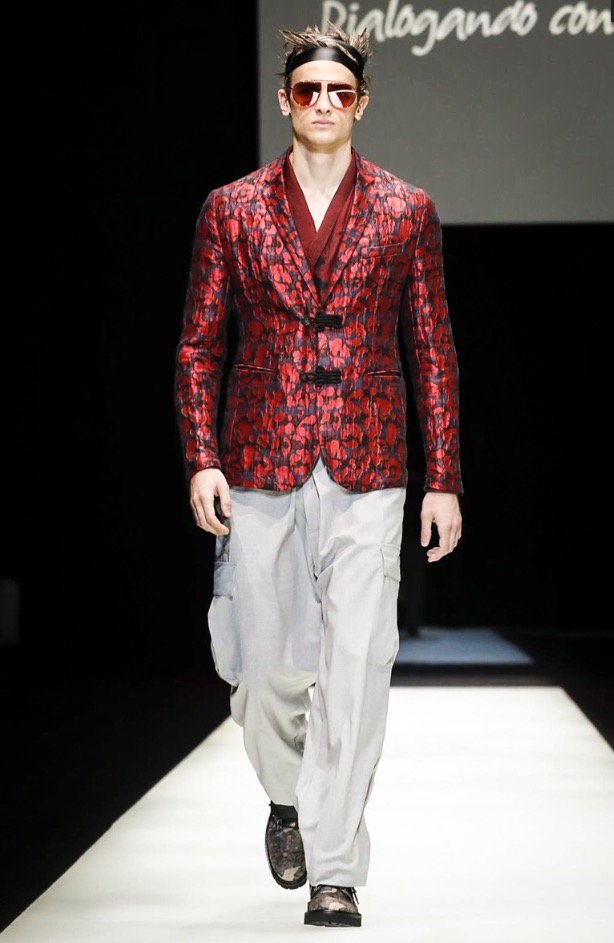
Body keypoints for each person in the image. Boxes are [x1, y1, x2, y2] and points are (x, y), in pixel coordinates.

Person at [174, 22, 463, 929]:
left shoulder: (406, 208)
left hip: (370, 463)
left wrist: (444, 475)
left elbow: (432, 347)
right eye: (309, 90)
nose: (325, 103)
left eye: (341, 91)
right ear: (285, 100)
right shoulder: (232, 208)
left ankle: (336, 868)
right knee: (262, 670)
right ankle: (287, 795)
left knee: (357, 667)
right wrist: (201, 456)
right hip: (259, 460)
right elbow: (198, 345)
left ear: (361, 103)